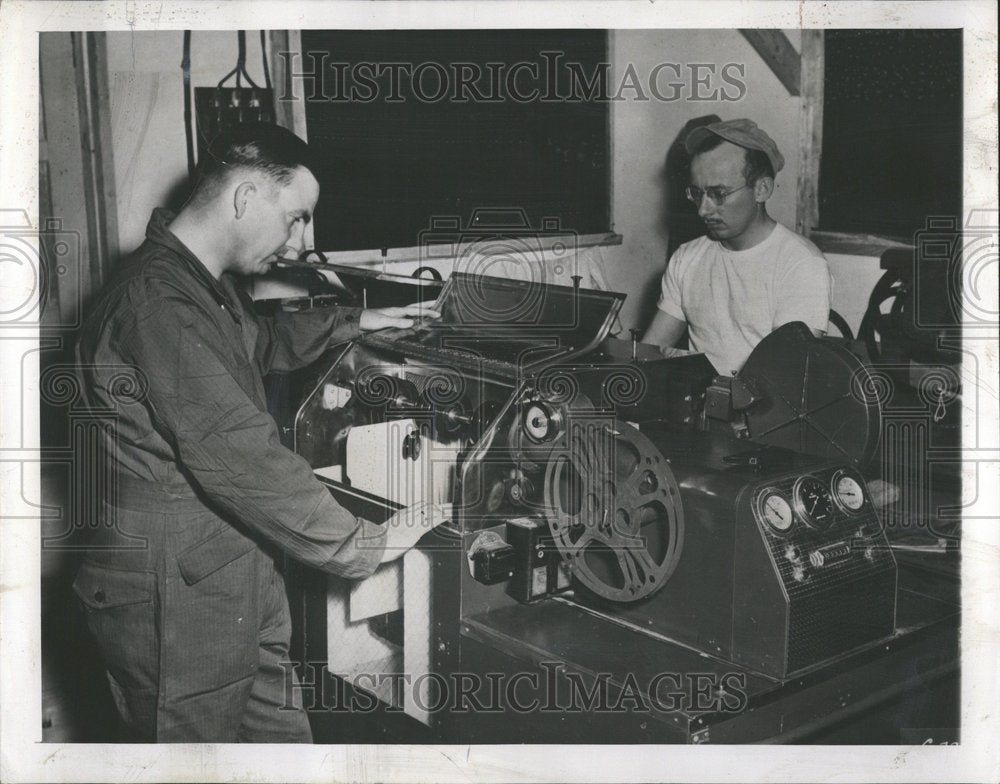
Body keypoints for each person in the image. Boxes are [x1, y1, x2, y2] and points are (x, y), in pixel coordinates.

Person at [73, 123, 446, 742]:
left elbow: (261, 343)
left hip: (231, 576)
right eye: (297, 218)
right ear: (245, 197)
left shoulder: (199, 285)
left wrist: (359, 321)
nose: (303, 243)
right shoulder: (157, 304)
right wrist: (366, 545)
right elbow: (242, 457)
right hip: (175, 602)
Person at [643, 118, 831, 376]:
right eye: (697, 193)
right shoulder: (687, 257)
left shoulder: (801, 263)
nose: (703, 210)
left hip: (766, 411)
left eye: (718, 194)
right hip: (698, 405)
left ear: (762, 189)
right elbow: (650, 352)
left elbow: (789, 379)